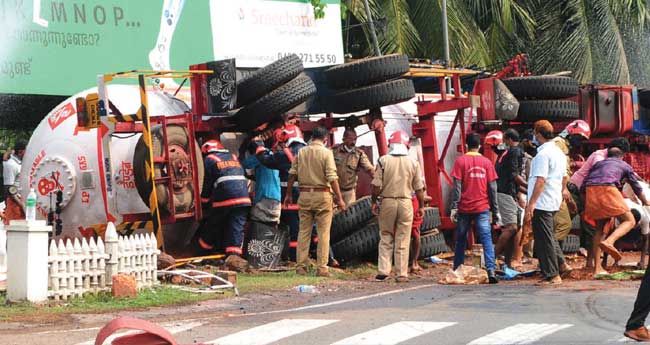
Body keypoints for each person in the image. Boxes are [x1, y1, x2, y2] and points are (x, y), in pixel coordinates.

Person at [285, 126, 346, 277]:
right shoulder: (326, 153)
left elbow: (292, 174)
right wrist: (340, 198)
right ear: (325, 139)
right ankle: (322, 268)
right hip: (322, 196)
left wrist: (288, 194)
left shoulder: (301, 152)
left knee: (303, 232)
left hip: (304, 195)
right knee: (323, 233)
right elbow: (332, 177)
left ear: (312, 137)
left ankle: (300, 267)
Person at [582, 140, 650, 275]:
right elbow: (636, 187)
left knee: (600, 229)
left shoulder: (599, 164)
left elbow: (585, 181)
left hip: (590, 191)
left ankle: (597, 269)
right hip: (607, 189)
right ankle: (610, 241)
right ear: (623, 155)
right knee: (629, 220)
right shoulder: (624, 165)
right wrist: (645, 202)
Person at [371, 130, 425, 282]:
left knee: (386, 235)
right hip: (406, 202)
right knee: (403, 237)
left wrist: (374, 201)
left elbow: (376, 185)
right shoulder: (413, 163)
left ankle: (383, 270)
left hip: (387, 201)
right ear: (406, 145)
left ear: (390, 144)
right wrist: (421, 206)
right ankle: (401, 273)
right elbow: (419, 189)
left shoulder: (383, 160)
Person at [449, 133, 500, 284]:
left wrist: (454, 207)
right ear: (479, 146)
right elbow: (492, 188)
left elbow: (456, 187)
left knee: (461, 240)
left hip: (464, 208)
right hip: (482, 208)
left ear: (466, 146)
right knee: (486, 239)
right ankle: (490, 270)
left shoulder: (460, 161)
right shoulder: (487, 162)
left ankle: (458, 269)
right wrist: (495, 210)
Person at [524, 120, 570, 285]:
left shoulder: (542, 155)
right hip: (553, 199)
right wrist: (558, 194)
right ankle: (562, 265)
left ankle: (552, 274)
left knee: (544, 239)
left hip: (542, 201)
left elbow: (540, 180)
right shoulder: (559, 153)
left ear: (538, 134)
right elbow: (564, 178)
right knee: (548, 234)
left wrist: (532, 203)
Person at [198, 139, 251, 271]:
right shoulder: (233, 156)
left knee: (213, 225)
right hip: (244, 198)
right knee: (236, 228)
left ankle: (203, 254)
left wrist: (203, 202)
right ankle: (233, 259)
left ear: (206, 150)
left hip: (224, 199)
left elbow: (206, 184)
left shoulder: (209, 159)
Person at [256, 123, 307, 258]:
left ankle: (294, 257)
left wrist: (260, 147)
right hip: (308, 196)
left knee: (293, 227)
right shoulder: (309, 150)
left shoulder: (286, 153)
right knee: (311, 228)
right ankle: (321, 256)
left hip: (290, 197)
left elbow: (267, 160)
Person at [487, 129, 525, 268]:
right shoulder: (514, 151)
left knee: (513, 229)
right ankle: (489, 262)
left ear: (508, 139)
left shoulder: (505, 153)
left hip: (505, 192)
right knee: (511, 228)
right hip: (505, 194)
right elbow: (515, 176)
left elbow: (511, 177)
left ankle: (507, 264)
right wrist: (530, 187)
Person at [553, 120, 591, 244]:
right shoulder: (559, 143)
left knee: (563, 222)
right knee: (564, 224)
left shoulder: (565, 146)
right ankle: (551, 256)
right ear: (571, 132)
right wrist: (563, 189)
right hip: (558, 189)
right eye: (578, 137)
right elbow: (555, 168)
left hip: (564, 189)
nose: (579, 141)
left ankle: (555, 258)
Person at [333, 128, 374, 206]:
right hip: (334, 191)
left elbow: (369, 169)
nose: (354, 142)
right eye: (350, 139)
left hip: (348, 192)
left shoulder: (358, 154)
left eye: (355, 139)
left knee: (350, 215)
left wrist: (377, 181)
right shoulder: (334, 152)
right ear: (344, 139)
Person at [242, 140, 281, 224]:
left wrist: (241, 151)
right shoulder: (272, 155)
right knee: (273, 223)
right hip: (276, 196)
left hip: (265, 196)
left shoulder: (260, 156)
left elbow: (244, 164)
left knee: (257, 222)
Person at [3, 142, 25, 224]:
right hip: (15, 204)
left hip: (24, 202)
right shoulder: (11, 164)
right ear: (20, 152)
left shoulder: (22, 163)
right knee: (14, 231)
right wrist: (21, 204)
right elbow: (9, 189)